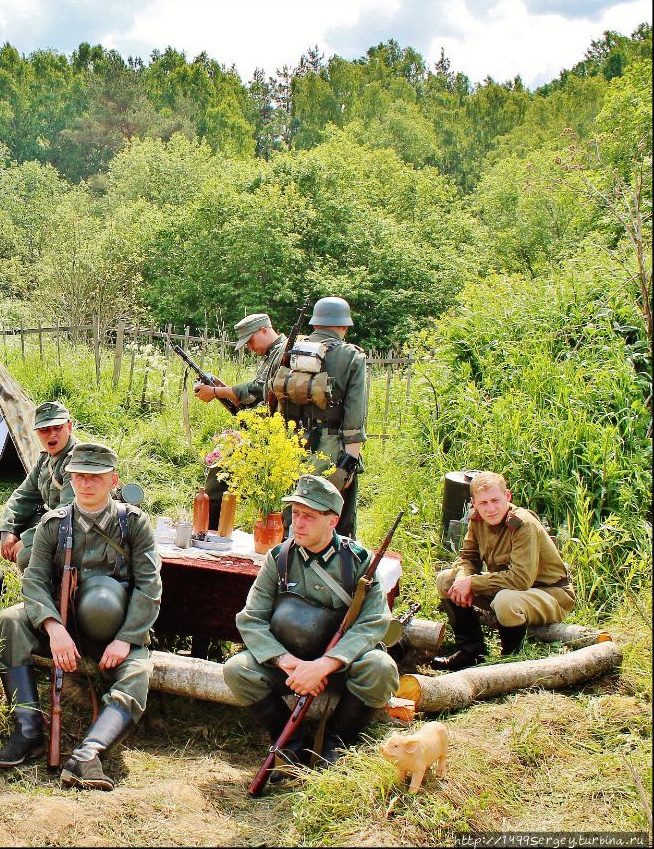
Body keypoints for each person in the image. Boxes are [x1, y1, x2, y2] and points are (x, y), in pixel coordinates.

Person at [0, 443, 162, 791]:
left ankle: (89, 754)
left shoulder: (134, 524)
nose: (86, 484)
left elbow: (149, 586)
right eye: (79, 476)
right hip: (64, 623)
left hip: (116, 629)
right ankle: (27, 731)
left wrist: (126, 638)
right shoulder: (54, 525)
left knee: (139, 671)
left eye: (95, 478)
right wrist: (53, 628)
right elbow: (35, 580)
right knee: (9, 620)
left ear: (113, 480)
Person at [223, 474, 397, 772]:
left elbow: (373, 622)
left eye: (309, 517)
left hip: (341, 666)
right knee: (238, 670)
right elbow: (251, 619)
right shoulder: (279, 558)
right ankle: (290, 742)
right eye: (296, 514)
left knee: (380, 669)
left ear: (333, 521)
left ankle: (336, 742)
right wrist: (287, 662)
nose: (298, 524)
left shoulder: (358, 562)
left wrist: (326, 664)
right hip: (291, 664)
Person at [431, 472, 575, 671]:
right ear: (474, 503)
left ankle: (510, 661)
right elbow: (468, 557)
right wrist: (463, 579)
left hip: (549, 594)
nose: (490, 509)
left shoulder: (523, 525)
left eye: (495, 500)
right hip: (509, 590)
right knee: (446, 580)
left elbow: (521, 580)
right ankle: (471, 653)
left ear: (508, 497)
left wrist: (472, 583)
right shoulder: (478, 519)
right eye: (483, 503)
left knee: (505, 600)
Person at [272, 297, 368, 539]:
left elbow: (269, 393)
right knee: (336, 520)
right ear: (344, 327)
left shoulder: (289, 350)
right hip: (331, 447)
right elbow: (355, 416)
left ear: (315, 324)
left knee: (292, 514)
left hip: (290, 446)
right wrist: (349, 464)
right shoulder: (351, 355)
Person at [193, 313, 286, 530]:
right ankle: (210, 533)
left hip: (273, 438)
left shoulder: (283, 353)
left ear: (264, 330)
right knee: (218, 478)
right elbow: (253, 400)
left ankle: (210, 532)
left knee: (219, 478)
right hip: (259, 432)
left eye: (251, 341)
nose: (250, 348)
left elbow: (260, 391)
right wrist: (221, 389)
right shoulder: (269, 355)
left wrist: (217, 391)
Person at [0, 401, 78, 572]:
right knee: (23, 522)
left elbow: (69, 513)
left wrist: (27, 540)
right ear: (37, 433)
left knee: (27, 555)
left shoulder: (77, 462)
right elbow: (23, 496)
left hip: (83, 528)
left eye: (58, 428)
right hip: (63, 524)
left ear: (69, 427)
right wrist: (8, 531)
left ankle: (51, 590)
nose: (52, 435)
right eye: (44, 430)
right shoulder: (46, 459)